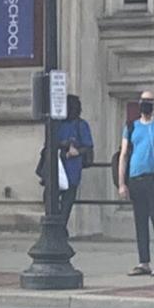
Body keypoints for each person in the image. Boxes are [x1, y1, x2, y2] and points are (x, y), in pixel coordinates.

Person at [118, 89, 154, 276]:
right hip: (136, 178)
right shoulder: (131, 127)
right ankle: (143, 262)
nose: (145, 104)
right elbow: (124, 155)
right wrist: (122, 183)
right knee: (140, 221)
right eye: (143, 100)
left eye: (149, 101)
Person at [54, 94, 94, 232]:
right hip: (58, 167)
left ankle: (60, 228)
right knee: (54, 201)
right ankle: (59, 227)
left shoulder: (80, 125)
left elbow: (88, 146)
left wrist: (76, 151)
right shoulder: (57, 124)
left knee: (66, 202)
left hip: (72, 168)